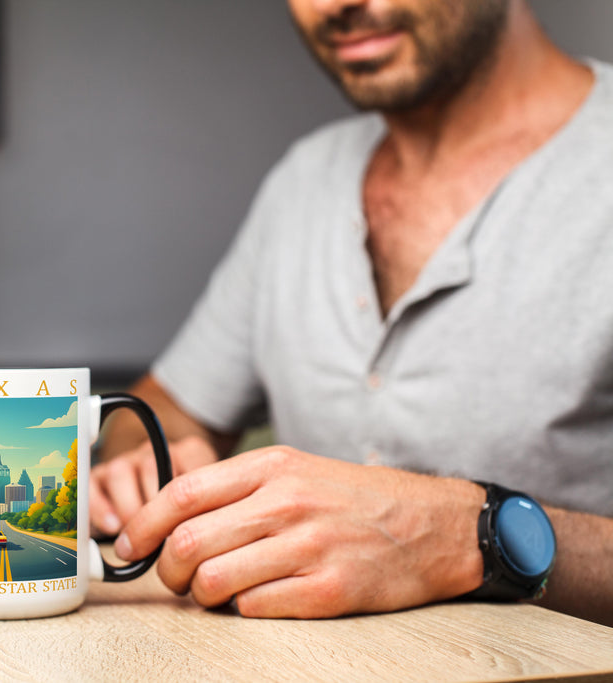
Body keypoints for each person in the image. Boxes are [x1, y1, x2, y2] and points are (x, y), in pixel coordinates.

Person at [89, 0, 613, 626]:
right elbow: (165, 408)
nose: (337, 4)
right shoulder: (303, 182)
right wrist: (151, 462)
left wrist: (463, 536)